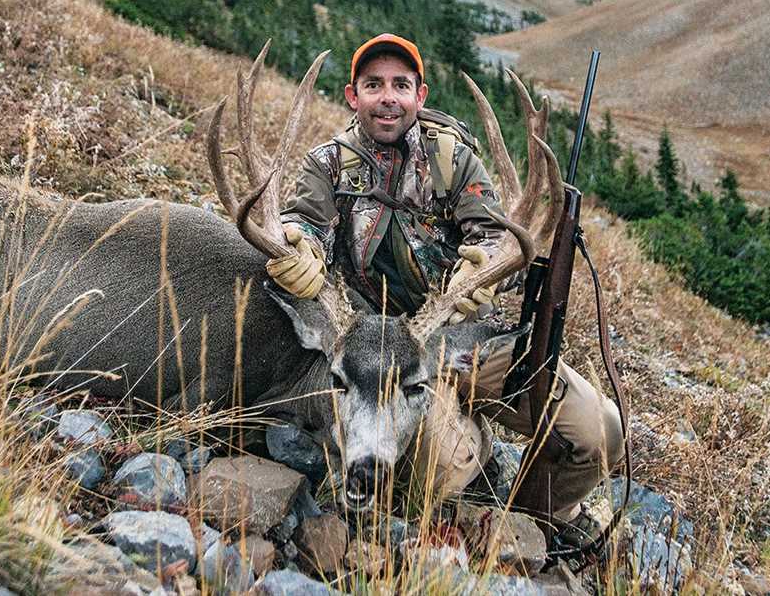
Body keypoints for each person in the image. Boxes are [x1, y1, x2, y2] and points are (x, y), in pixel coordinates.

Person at [267, 32, 624, 527]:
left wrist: (487, 269)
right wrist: (298, 246)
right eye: (373, 85)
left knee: (601, 432)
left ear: (420, 95)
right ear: (353, 96)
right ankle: (468, 450)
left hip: (462, 337)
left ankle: (534, 519)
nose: (387, 97)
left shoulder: (453, 160)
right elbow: (303, 222)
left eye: (400, 84)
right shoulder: (327, 164)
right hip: (380, 357)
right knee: (437, 472)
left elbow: (500, 236)